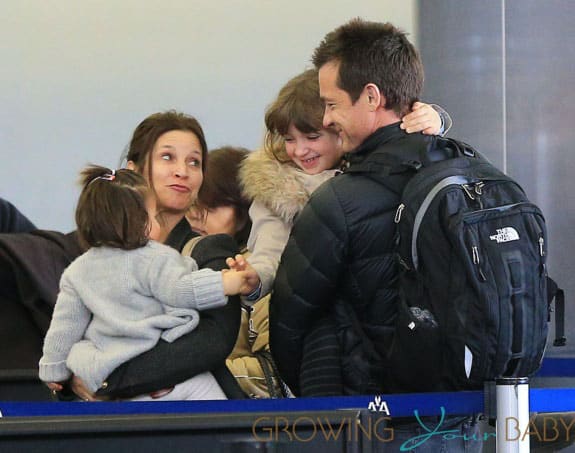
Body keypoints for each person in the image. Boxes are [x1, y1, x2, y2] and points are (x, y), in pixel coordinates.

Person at [269, 19, 482, 451]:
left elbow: (288, 324)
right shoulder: (474, 169)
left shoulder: (340, 201)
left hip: (376, 424)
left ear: (371, 96)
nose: (328, 118)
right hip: (472, 418)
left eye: (332, 105)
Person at [226, 68, 449, 396]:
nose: (300, 150)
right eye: (289, 139)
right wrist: (255, 278)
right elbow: (270, 253)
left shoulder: (374, 171)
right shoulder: (278, 189)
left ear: (339, 130)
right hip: (313, 332)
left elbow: (413, 143)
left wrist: (434, 120)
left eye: (311, 137)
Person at [0, 110, 244, 401]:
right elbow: (63, 328)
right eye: (168, 157)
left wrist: (107, 381)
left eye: (195, 162)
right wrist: (64, 377)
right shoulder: (84, 256)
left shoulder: (209, 249)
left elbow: (212, 341)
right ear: (134, 170)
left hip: (186, 407)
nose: (183, 171)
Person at [39, 165, 256, 400]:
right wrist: (226, 283)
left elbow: (64, 327)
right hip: (159, 372)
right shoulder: (154, 258)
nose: (158, 223)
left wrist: (54, 370)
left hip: (107, 375)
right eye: (153, 215)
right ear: (140, 222)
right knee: (213, 397)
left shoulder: (77, 271)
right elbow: (180, 290)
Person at [187, 147, 285, 398]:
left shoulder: (259, 273)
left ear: (245, 210)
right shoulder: (183, 263)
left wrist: (190, 375)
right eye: (194, 205)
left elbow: (274, 373)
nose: (197, 217)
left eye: (212, 207)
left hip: (253, 424)